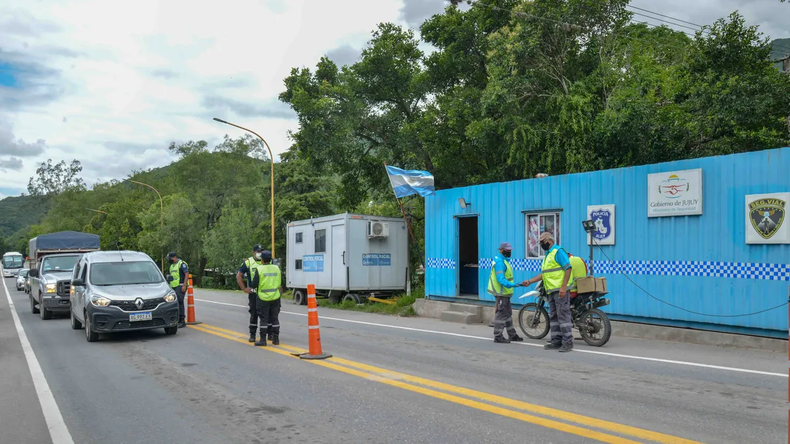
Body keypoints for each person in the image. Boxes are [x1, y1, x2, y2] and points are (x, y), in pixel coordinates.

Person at [522, 232, 574, 352]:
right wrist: (530, 281)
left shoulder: (558, 251)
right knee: (554, 316)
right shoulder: (548, 254)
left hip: (559, 290)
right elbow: (544, 274)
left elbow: (568, 268)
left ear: (548, 241)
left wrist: (563, 287)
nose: (540, 245)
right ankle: (556, 341)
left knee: (563, 316)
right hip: (550, 290)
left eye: (541, 242)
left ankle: (568, 342)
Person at [487, 242, 524, 344]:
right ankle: (498, 336)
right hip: (501, 292)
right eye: (507, 251)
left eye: (510, 251)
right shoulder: (500, 263)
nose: (509, 252)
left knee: (507, 314)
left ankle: (512, 334)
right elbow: (501, 279)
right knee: (501, 314)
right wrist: (514, 285)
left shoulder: (504, 261)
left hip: (504, 293)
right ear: (501, 250)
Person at [250, 250, 281, 347]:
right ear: (270, 259)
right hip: (275, 297)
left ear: (262, 259)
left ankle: (263, 340)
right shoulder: (277, 268)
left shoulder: (259, 269)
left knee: (264, 319)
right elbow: (280, 282)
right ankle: (276, 339)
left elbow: (254, 284)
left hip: (263, 298)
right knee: (275, 318)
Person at [237, 244, 265, 343]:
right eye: (258, 251)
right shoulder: (248, 262)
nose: (260, 253)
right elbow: (239, 276)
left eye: (261, 251)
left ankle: (266, 336)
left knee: (265, 315)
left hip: (265, 294)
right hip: (254, 293)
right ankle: (252, 334)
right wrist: (244, 289)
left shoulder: (266, 261)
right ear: (254, 253)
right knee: (254, 314)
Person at [166, 252, 189, 328]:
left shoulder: (181, 263)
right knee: (173, 302)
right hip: (173, 287)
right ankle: (176, 319)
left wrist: (184, 285)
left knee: (179, 301)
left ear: (175, 257)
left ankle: (182, 321)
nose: (170, 260)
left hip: (181, 285)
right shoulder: (171, 266)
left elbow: (186, 273)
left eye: (170, 258)